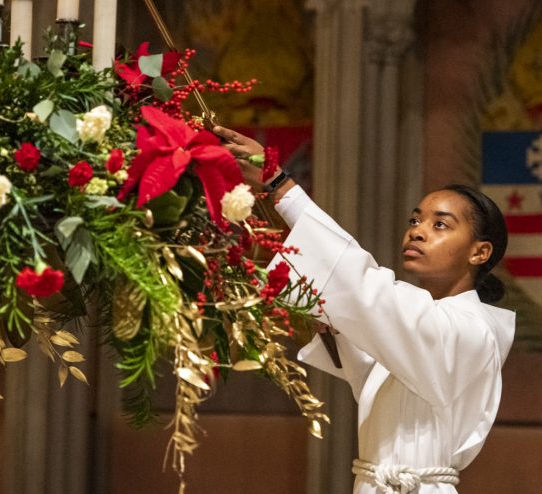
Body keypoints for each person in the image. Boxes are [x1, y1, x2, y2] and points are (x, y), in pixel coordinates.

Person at [214, 125, 515, 494]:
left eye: (440, 225)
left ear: (479, 252)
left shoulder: (471, 328)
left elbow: (367, 291)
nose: (418, 231)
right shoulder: (421, 323)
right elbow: (372, 346)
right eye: (415, 220)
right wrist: (337, 322)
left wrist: (280, 186)